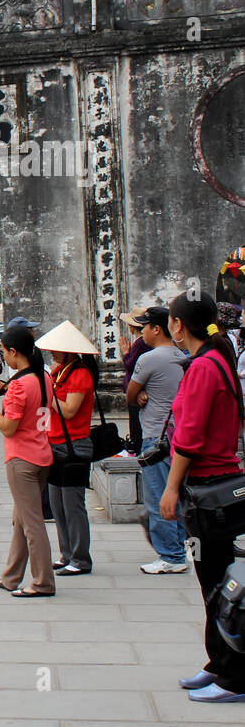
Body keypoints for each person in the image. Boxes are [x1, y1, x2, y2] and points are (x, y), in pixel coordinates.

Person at [159, 290, 245, 702]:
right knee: (216, 579)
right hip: (219, 484)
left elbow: (189, 439)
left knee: (216, 582)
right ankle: (218, 663)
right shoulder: (216, 360)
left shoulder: (204, 367)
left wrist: (171, 488)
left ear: (178, 324)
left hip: (208, 490)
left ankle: (234, 677)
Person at [0, 325, 56, 597]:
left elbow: (8, 427)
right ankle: (11, 577)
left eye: (5, 352)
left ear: (13, 352)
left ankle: (43, 581)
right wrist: (5, 390)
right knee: (22, 520)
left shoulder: (21, 384)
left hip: (22, 458)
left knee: (32, 524)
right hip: (42, 453)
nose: (4, 358)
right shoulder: (43, 376)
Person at [126, 307, 188, 574]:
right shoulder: (182, 355)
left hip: (155, 437)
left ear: (157, 329)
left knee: (158, 497)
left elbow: (130, 395)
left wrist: (140, 394)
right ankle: (179, 549)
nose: (142, 333)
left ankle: (172, 556)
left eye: (144, 328)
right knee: (178, 495)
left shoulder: (150, 359)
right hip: (178, 436)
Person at [39, 321, 99, 577]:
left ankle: (81, 558)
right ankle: (66, 554)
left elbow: (70, 410)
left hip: (74, 444)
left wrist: (50, 394)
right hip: (55, 442)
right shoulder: (59, 371)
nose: (52, 353)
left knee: (73, 505)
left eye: (56, 349)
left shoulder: (80, 374)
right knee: (57, 503)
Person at [119, 308, 152, 452]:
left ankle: (137, 446)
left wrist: (126, 353)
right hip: (135, 389)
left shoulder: (140, 343)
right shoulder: (140, 342)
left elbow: (130, 365)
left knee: (136, 423)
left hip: (137, 391)